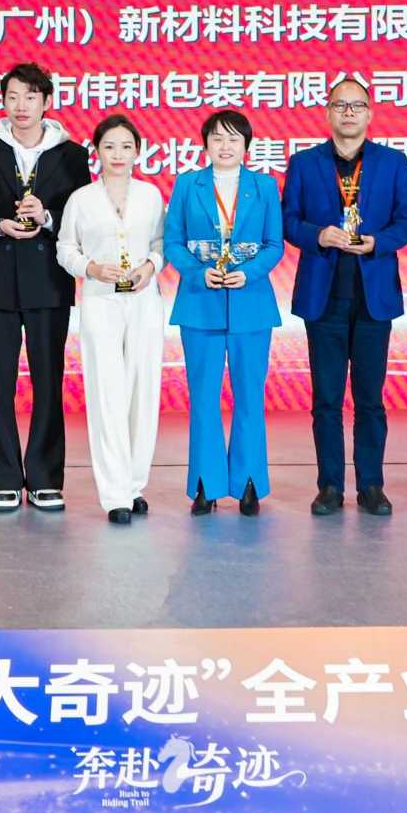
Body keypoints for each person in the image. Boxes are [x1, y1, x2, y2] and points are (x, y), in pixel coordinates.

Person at [0, 62, 92, 511]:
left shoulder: (71, 156)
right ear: (3, 101)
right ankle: (5, 479)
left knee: (49, 381)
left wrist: (47, 217)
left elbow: (83, 217)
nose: (21, 106)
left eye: (31, 97)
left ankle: (46, 478)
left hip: (48, 282)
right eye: (13, 96)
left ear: (46, 102)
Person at [282, 78, 407, 516]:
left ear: (369, 113)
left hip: (373, 297)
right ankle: (329, 486)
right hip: (323, 298)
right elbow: (288, 221)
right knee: (326, 399)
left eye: (356, 105)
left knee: (370, 400)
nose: (348, 113)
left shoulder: (392, 162)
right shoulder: (304, 163)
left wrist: (378, 242)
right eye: (340, 105)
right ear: (327, 112)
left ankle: (371, 485)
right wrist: (318, 235)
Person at [164, 109, 284, 515]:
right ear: (205, 144)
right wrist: (198, 273)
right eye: (217, 138)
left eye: (234, 138)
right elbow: (173, 242)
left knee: (250, 396)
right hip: (201, 304)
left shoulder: (264, 186)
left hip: (251, 306)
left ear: (247, 145)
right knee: (203, 397)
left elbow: (274, 245)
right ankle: (206, 484)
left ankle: (249, 482)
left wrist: (249, 273)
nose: (225, 145)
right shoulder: (188, 185)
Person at [55, 114, 166, 525]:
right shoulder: (81, 199)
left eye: (126, 147)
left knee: (143, 390)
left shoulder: (151, 195)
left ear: (138, 151)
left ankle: (135, 485)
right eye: (109, 146)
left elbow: (161, 243)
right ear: (96, 152)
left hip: (143, 300)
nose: (118, 154)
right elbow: (65, 248)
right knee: (107, 394)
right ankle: (115, 493)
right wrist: (91, 269)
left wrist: (150, 267)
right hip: (100, 301)